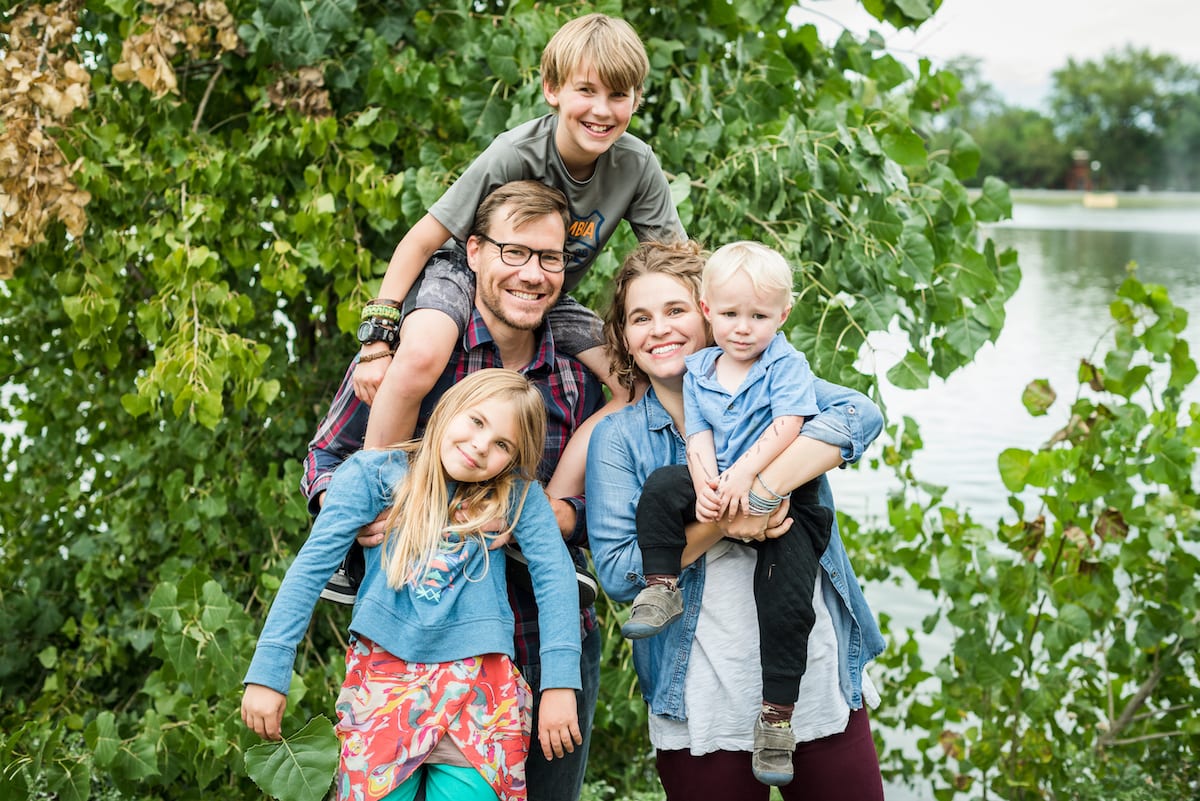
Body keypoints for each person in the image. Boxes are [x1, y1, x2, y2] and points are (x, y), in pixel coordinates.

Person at [302, 181, 606, 801]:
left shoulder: (578, 375)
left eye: (550, 258)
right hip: (410, 650)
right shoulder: (419, 351)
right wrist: (359, 510)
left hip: (545, 646)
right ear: (473, 252)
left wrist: (564, 515)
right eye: (514, 252)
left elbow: (612, 491)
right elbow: (326, 457)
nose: (533, 274)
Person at [585, 240, 888, 801]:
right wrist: (726, 522)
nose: (659, 330)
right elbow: (622, 574)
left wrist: (765, 490)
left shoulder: (775, 380)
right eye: (639, 318)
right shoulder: (618, 439)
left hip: (811, 676)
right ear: (624, 335)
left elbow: (861, 415)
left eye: (674, 310)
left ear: (704, 310)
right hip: (700, 689)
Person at [242, 369, 583, 801]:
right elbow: (308, 570)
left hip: (480, 690)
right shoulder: (372, 475)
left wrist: (558, 686)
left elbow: (556, 581)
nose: (481, 446)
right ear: (447, 409)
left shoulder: (516, 495)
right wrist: (268, 674)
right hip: (383, 685)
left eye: (503, 445)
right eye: (476, 422)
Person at [353, 12, 683, 452]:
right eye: (586, 90)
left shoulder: (636, 165)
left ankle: (558, 501)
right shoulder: (515, 153)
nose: (602, 110)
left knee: (634, 384)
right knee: (421, 355)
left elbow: (677, 262)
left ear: (636, 98)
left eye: (618, 94)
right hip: (467, 272)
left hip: (548, 290)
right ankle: (377, 487)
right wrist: (377, 338)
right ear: (553, 90)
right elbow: (422, 238)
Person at [620, 241, 830, 786]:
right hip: (720, 478)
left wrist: (746, 481)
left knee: (786, 603)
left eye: (759, 317)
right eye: (731, 314)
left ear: (782, 317)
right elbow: (699, 430)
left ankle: (776, 718)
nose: (743, 328)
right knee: (662, 490)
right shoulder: (702, 367)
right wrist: (708, 485)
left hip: (781, 496)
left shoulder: (786, 363)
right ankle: (663, 584)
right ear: (710, 310)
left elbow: (788, 426)